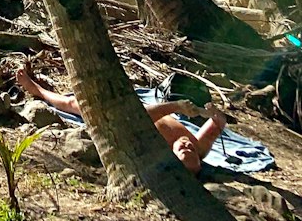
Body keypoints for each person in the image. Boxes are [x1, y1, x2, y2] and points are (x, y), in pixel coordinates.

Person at [16, 65, 225, 176]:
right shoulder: (198, 147)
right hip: (145, 106)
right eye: (191, 151)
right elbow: (218, 125)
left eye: (183, 151)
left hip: (125, 116)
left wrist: (175, 106)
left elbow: (140, 118)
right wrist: (212, 113)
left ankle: (39, 90)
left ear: (172, 157)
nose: (186, 145)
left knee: (73, 105)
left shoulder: (158, 146)